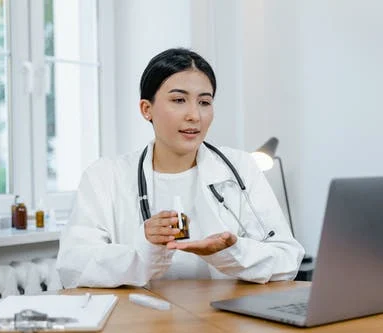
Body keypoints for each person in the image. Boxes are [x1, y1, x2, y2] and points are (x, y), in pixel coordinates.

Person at [56, 48, 304, 288]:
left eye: (204, 102)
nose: (194, 115)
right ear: (146, 109)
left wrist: (231, 251)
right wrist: (146, 249)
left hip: (224, 319)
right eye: (178, 100)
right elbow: (73, 266)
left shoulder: (240, 167)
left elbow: (287, 258)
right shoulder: (106, 177)